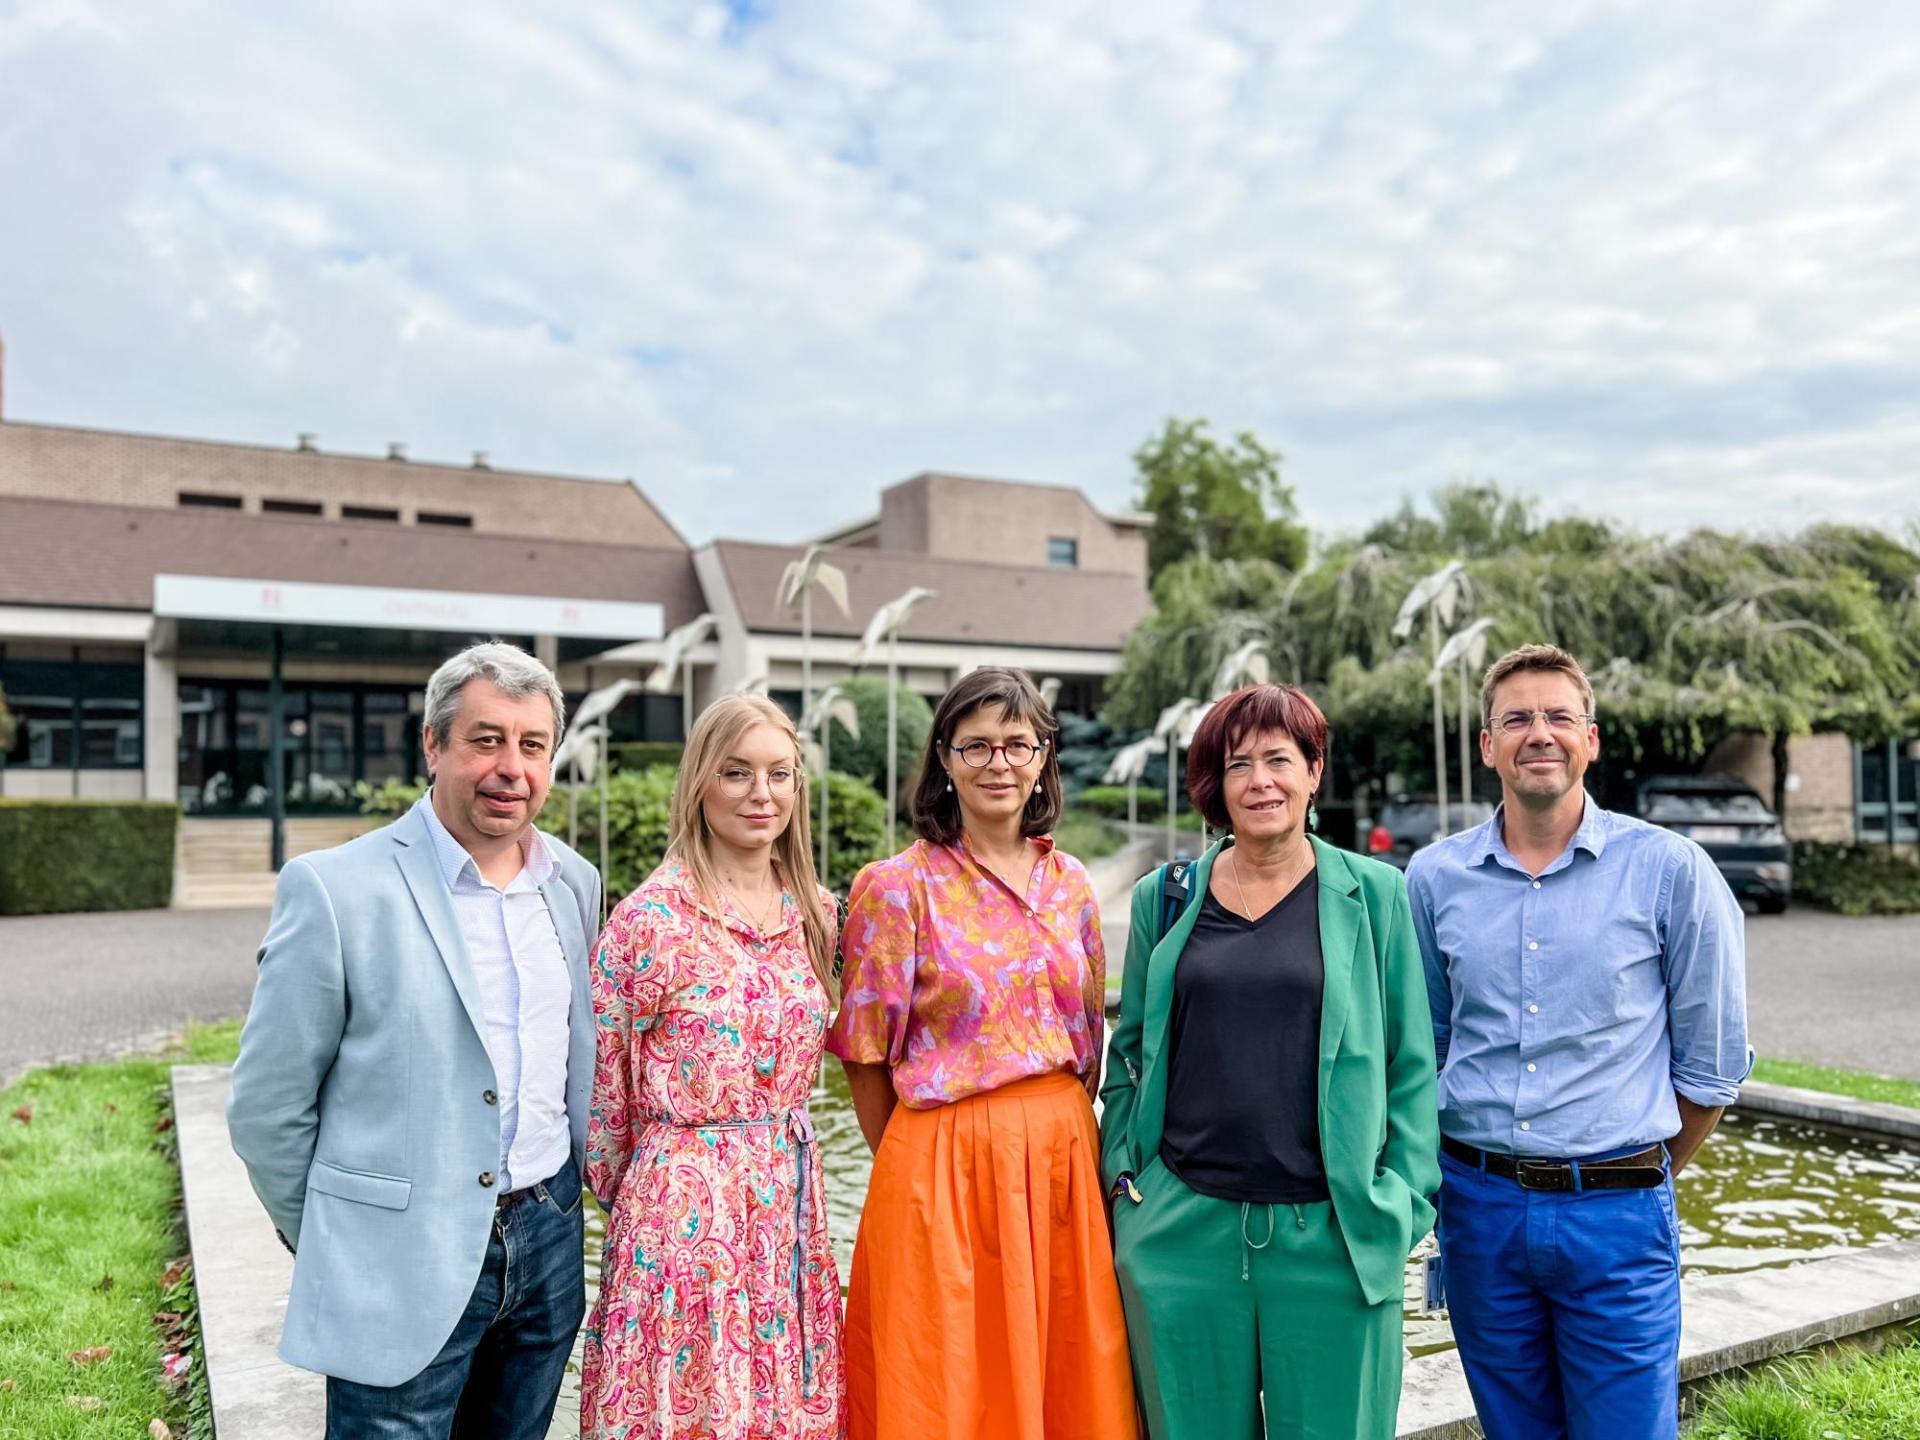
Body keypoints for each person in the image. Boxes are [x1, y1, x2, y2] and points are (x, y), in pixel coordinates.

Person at [227, 642, 600, 1439]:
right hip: (395, 1259)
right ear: (432, 744)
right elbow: (267, 1109)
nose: (512, 768)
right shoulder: (335, 890)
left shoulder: (574, 882)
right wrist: (340, 1236)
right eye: (486, 739)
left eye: (533, 746)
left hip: (549, 1240)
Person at [1407, 643, 1752, 1440]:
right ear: (1487, 745)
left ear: (1590, 739)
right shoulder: (1432, 879)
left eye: (1560, 716)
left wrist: (1630, 1172)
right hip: (1480, 1212)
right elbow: (1426, 1044)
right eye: (1516, 719)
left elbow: (1712, 1069)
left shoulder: (1672, 872)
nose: (1540, 733)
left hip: (1619, 1216)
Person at [1101, 682, 1439, 1440]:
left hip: (1335, 1232)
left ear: (1314, 771)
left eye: (1279, 760)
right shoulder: (1167, 895)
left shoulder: (1376, 894)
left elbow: (1412, 1065)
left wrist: (1401, 1203)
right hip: (1182, 1233)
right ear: (1215, 785)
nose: (1261, 781)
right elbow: (1127, 1056)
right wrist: (1127, 1186)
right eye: (1239, 764)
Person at [828, 666, 1136, 1440]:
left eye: (1017, 744)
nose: (999, 763)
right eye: (976, 746)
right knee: (945, 1384)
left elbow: (1089, 1036)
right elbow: (864, 1055)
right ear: (945, 760)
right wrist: (919, 1163)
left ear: (1042, 760)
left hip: (1063, 1156)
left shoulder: (1070, 884)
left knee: (1066, 1373)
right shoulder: (897, 887)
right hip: (942, 1164)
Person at [582, 694, 844, 1439]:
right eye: (736, 773)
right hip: (684, 1217)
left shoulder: (818, 915)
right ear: (700, 781)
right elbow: (603, 1102)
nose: (762, 794)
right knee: (693, 1405)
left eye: (779, 774)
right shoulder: (650, 921)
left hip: (789, 1207)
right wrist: (666, 1192)